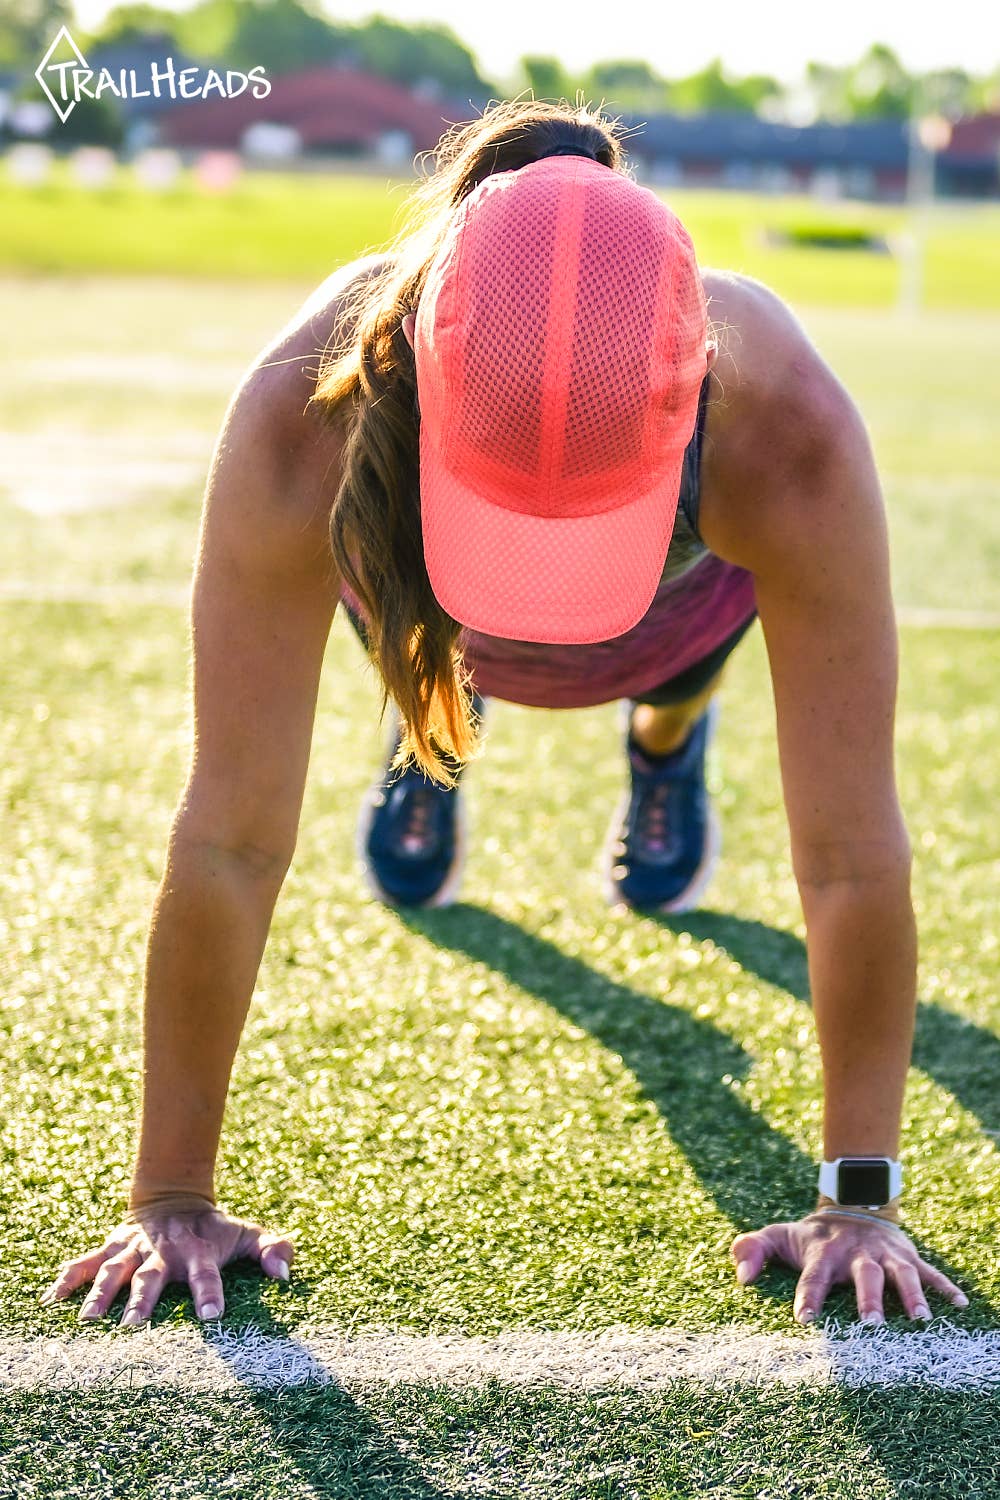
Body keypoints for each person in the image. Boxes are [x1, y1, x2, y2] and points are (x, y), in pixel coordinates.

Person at [39, 100, 969, 1333]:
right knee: (433, 668)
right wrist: (168, 1192)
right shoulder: (310, 412)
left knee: (664, 690)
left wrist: (858, 1199)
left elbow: (848, 853)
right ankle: (432, 720)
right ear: (417, 372)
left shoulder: (782, 429)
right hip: (423, 595)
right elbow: (229, 833)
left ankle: (661, 743)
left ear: (689, 389)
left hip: (673, 614)